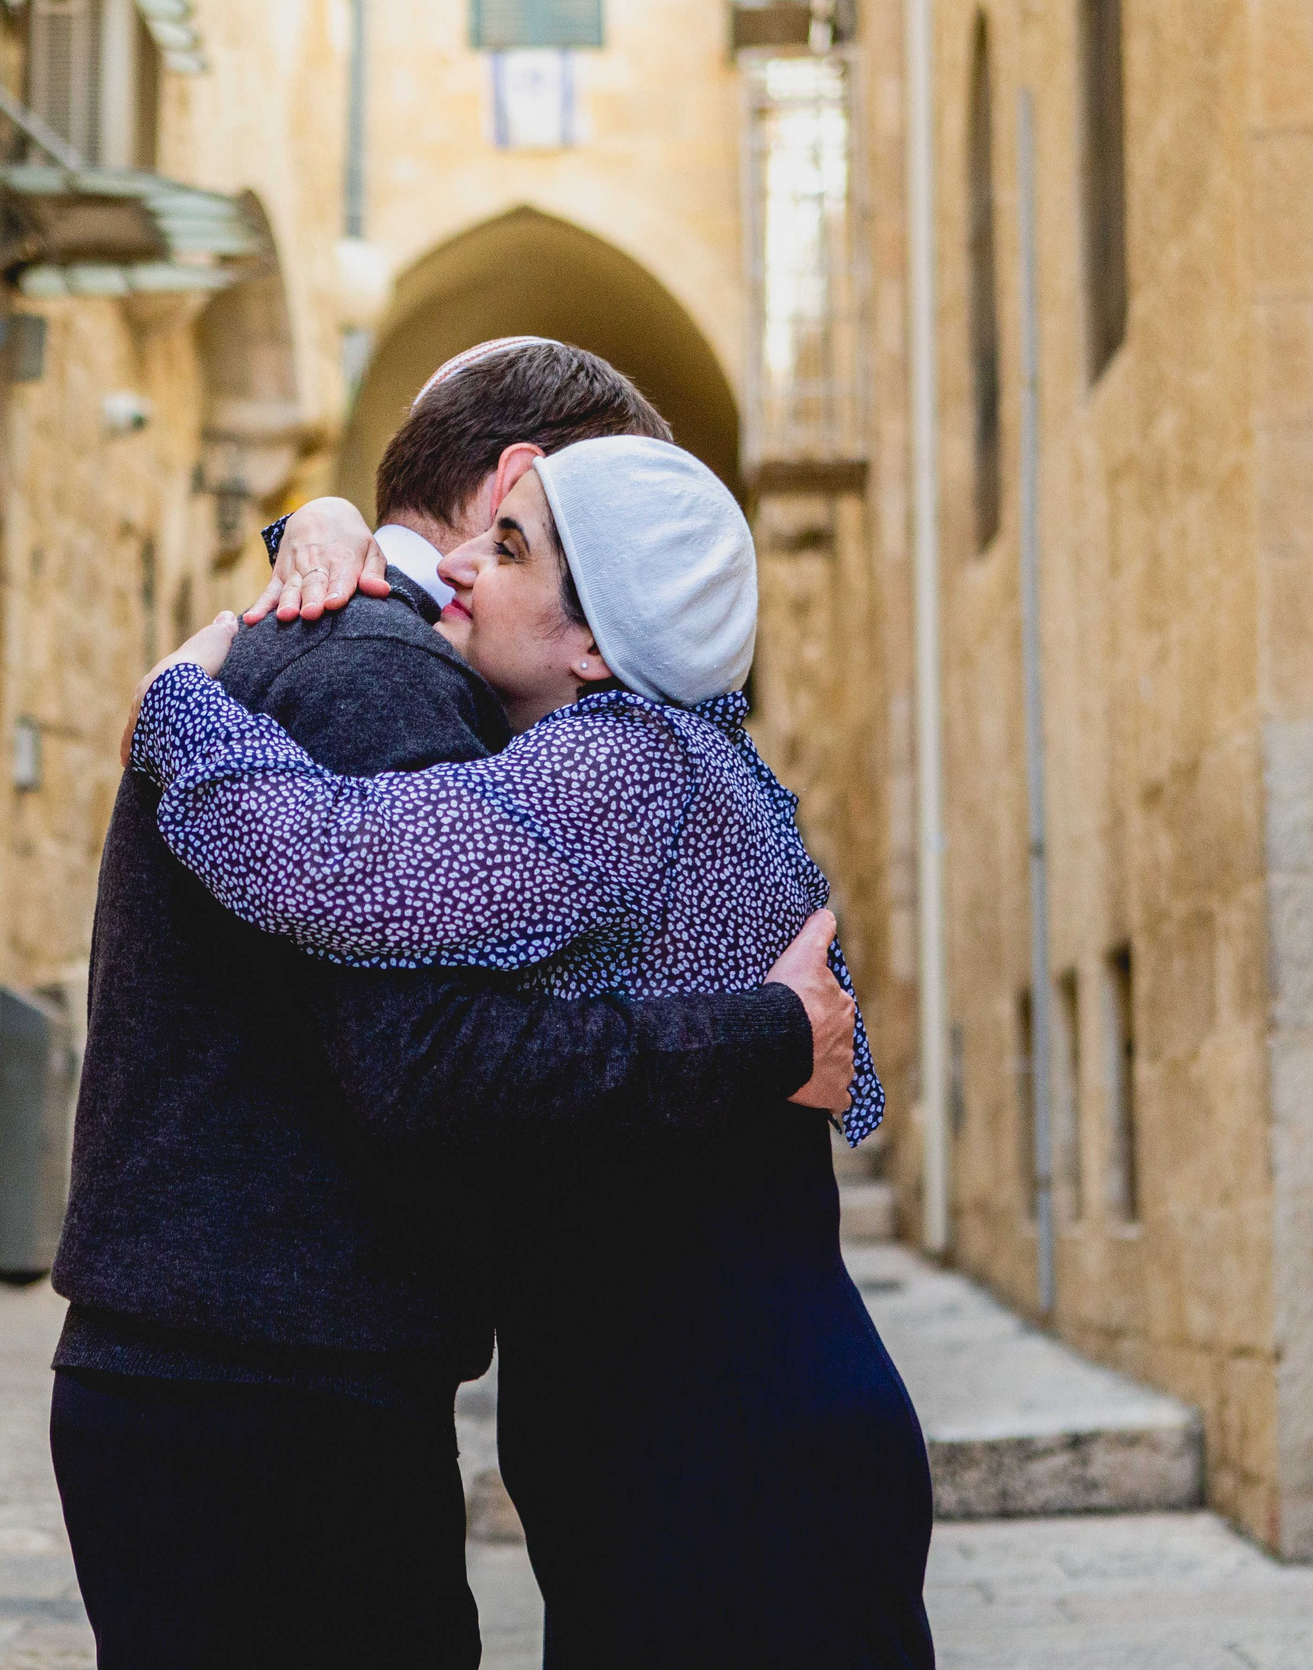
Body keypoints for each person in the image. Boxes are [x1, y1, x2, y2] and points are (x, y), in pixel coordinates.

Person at [50, 342, 861, 1670]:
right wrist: (768, 1036)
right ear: (517, 483)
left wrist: (242, 616)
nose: (491, 574)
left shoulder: (387, 660)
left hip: (236, 1368)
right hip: (273, 1385)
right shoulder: (385, 670)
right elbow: (424, 1047)